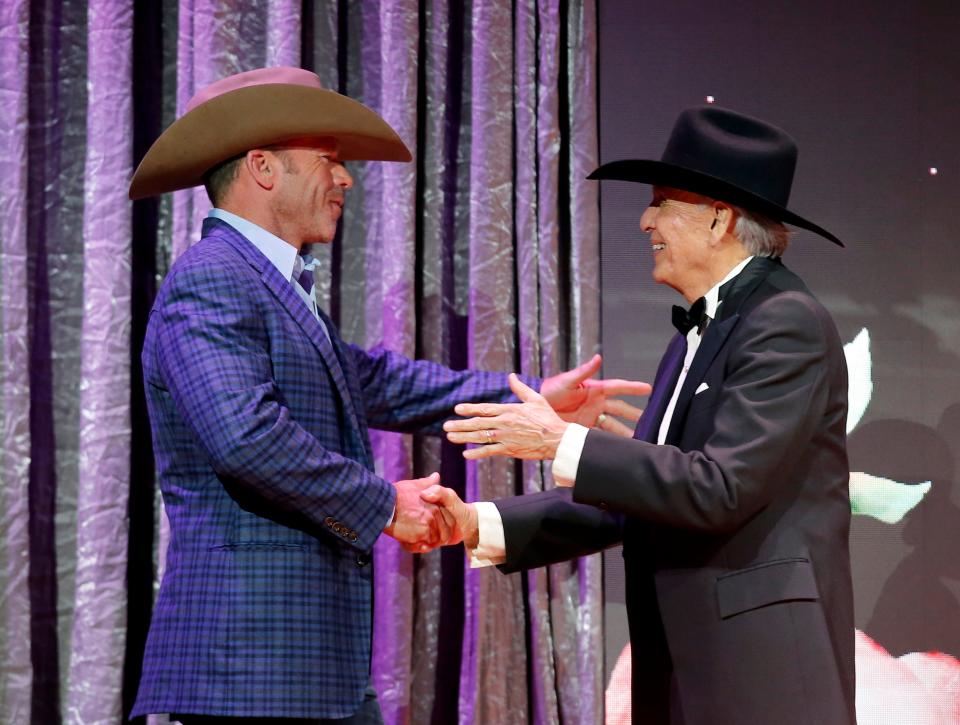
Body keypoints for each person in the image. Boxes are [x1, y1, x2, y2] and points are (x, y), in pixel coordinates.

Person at [127, 67, 646, 723]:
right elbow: (245, 437)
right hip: (243, 669)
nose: (344, 179)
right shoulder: (211, 280)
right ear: (262, 167)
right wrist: (383, 503)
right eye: (328, 160)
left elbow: (375, 379)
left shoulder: (271, 287)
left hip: (304, 671)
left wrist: (530, 395)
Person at [426, 106, 856, 724]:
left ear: (717, 219)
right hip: (687, 669)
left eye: (660, 202)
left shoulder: (785, 321)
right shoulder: (696, 335)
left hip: (759, 679)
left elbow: (721, 488)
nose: (644, 220)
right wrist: (475, 522)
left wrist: (562, 442)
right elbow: (642, 497)